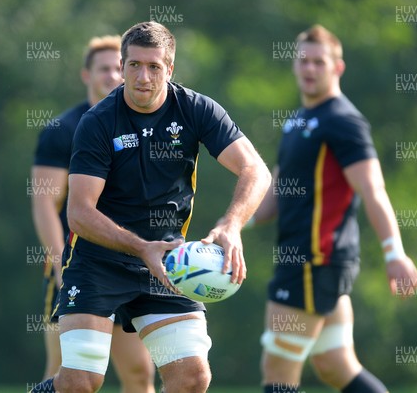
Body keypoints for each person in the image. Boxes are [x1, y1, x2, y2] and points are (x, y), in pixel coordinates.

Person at [31, 21, 271, 393]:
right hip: (98, 262)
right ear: (123, 66)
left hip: (167, 261)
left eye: (154, 66)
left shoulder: (195, 110)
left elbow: (255, 170)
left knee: (192, 377)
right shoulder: (97, 122)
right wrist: (142, 247)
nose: (143, 77)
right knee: (79, 383)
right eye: (134, 65)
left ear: (170, 68)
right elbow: (78, 212)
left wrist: (232, 225)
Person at [252, 25, 417, 393]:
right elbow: (275, 195)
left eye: (319, 61)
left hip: (314, 262)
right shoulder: (297, 120)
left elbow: (373, 189)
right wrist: (230, 225)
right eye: (303, 61)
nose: (310, 69)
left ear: (338, 68)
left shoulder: (343, 120)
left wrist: (395, 253)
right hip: (309, 263)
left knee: (277, 371)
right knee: (335, 365)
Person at [30, 35, 156, 393]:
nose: (113, 75)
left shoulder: (140, 125)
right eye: (104, 68)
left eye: (120, 67)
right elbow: (44, 203)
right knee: (66, 373)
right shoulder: (63, 130)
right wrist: (59, 261)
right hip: (77, 264)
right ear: (86, 74)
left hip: (126, 265)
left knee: (139, 373)